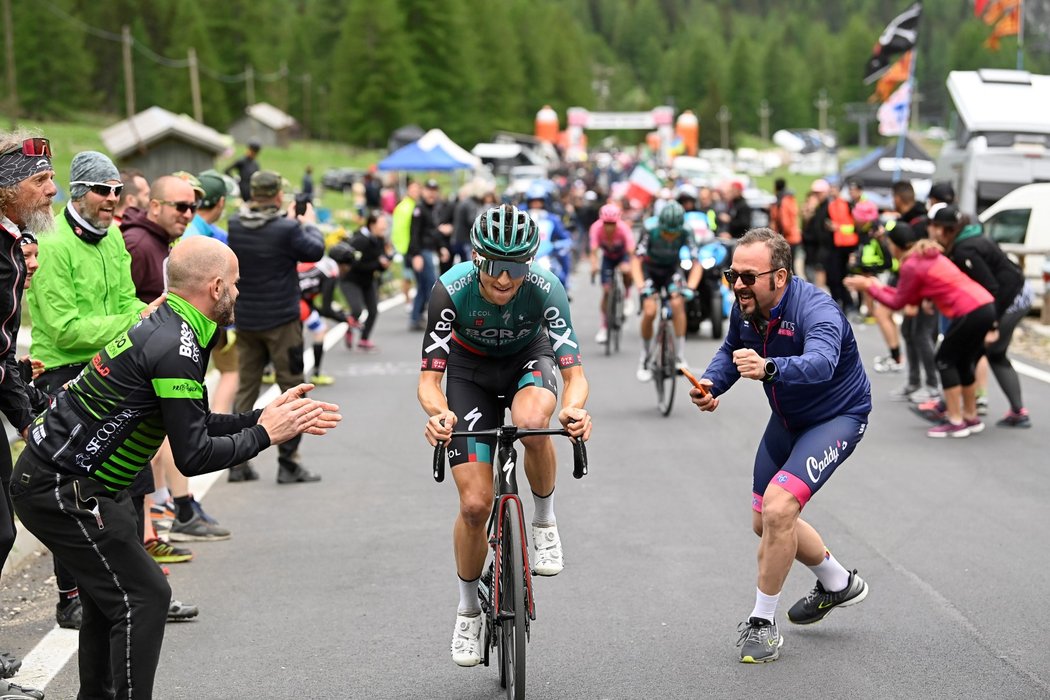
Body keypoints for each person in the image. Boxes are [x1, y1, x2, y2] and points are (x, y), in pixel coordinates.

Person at [12, 236, 340, 700]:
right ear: (217, 287)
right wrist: (265, 434)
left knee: (111, 602)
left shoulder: (176, 328)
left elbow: (193, 421)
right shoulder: (176, 345)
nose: (241, 294)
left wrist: (260, 416)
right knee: (143, 597)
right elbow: (194, 454)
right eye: (238, 285)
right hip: (62, 487)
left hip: (75, 483)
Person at [418, 204, 592, 668]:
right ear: (478, 259)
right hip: (468, 374)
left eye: (516, 268)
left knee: (534, 423)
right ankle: (468, 610)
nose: (504, 279)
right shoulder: (449, 291)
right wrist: (438, 415)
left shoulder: (545, 289)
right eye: (495, 266)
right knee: (475, 505)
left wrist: (574, 408)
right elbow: (428, 383)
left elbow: (574, 375)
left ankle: (544, 521)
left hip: (526, 361)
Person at [689, 227, 872, 664]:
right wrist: (713, 383)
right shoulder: (746, 306)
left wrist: (770, 367)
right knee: (764, 522)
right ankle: (837, 581)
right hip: (788, 420)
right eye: (733, 274)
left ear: (781, 277)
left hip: (836, 417)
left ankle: (762, 623)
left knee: (778, 509)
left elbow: (823, 363)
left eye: (749, 277)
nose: (738, 285)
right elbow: (733, 349)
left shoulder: (817, 309)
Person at [28, 150, 167, 629]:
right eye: (102, 191)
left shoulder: (113, 240)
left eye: (117, 191)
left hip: (116, 370)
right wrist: (138, 318)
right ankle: (71, 599)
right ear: (78, 191)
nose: (112, 200)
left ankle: (131, 589)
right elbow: (65, 329)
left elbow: (128, 298)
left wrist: (140, 322)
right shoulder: (53, 242)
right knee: (75, 491)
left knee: (129, 483)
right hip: (66, 375)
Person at [845, 222, 996, 438]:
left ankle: (955, 420)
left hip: (969, 310)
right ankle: (970, 417)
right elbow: (908, 295)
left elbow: (897, 302)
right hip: (984, 306)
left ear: (895, 246)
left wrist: (869, 287)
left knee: (945, 360)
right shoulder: (926, 256)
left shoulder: (911, 264)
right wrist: (875, 286)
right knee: (962, 362)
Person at [0, 132, 55, 700]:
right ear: (5, 187)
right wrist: (26, 417)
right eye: (40, 179)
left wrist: (25, 413)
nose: (50, 189)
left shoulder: (11, 244)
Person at [227, 170, 326, 483]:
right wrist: (306, 222)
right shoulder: (286, 229)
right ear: (277, 195)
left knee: (247, 388)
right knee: (292, 387)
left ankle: (237, 463)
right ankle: (288, 463)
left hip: (246, 319)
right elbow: (315, 251)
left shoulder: (235, 224)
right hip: (282, 321)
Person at [926, 206, 1031, 428]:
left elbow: (991, 287)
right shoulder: (967, 239)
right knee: (990, 354)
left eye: (935, 227)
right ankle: (1015, 411)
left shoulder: (966, 250)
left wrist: (993, 324)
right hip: (1013, 293)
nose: (932, 231)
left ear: (947, 230)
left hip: (1011, 298)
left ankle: (953, 406)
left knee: (975, 352)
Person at [633, 201, 702, 380]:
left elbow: (696, 263)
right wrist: (641, 287)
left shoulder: (687, 230)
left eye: (674, 234)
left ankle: (679, 356)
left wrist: (691, 288)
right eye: (666, 233)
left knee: (678, 303)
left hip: (672, 269)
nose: (670, 237)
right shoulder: (650, 229)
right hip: (650, 269)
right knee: (649, 310)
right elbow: (636, 260)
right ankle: (644, 359)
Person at [889, 180, 939, 403]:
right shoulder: (906, 221)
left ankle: (932, 386)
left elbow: (925, 267)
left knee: (922, 336)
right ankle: (914, 381)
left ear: (899, 197)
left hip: (926, 292)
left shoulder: (921, 224)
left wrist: (917, 299)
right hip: (915, 290)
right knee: (910, 333)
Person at [338, 210, 391, 352]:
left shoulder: (379, 239)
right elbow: (355, 265)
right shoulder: (360, 240)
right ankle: (349, 327)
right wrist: (378, 264)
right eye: (382, 225)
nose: (385, 228)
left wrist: (384, 264)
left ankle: (364, 339)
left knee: (373, 311)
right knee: (357, 310)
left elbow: (380, 262)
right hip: (351, 279)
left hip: (368, 280)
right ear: (372, 225)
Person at [588, 203, 635, 344]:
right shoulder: (596, 228)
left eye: (612, 223)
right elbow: (594, 251)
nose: (609, 227)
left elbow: (632, 251)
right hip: (608, 258)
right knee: (606, 291)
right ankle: (604, 326)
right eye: (606, 223)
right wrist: (594, 265)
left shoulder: (624, 229)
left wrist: (629, 266)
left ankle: (626, 297)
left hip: (622, 256)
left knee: (627, 271)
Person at [407, 179, 450, 330]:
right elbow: (414, 234)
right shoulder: (419, 209)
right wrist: (416, 255)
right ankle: (433, 318)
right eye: (429, 190)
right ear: (424, 191)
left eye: (434, 190)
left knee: (424, 286)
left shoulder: (435, 208)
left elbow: (434, 232)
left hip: (430, 250)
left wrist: (441, 248)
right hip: (422, 251)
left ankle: (415, 318)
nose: (432, 193)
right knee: (432, 285)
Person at [392, 180, 420, 304]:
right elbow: (399, 228)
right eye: (413, 190)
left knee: (411, 275)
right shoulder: (405, 207)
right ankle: (408, 301)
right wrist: (401, 246)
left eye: (417, 190)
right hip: (407, 246)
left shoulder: (412, 205)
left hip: (409, 246)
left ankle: (410, 300)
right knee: (408, 275)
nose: (415, 192)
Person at [769, 178, 801, 273]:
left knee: (787, 268)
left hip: (788, 238)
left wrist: (780, 237)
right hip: (794, 236)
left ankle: (792, 287)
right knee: (790, 266)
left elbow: (784, 221)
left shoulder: (782, 201)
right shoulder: (790, 199)